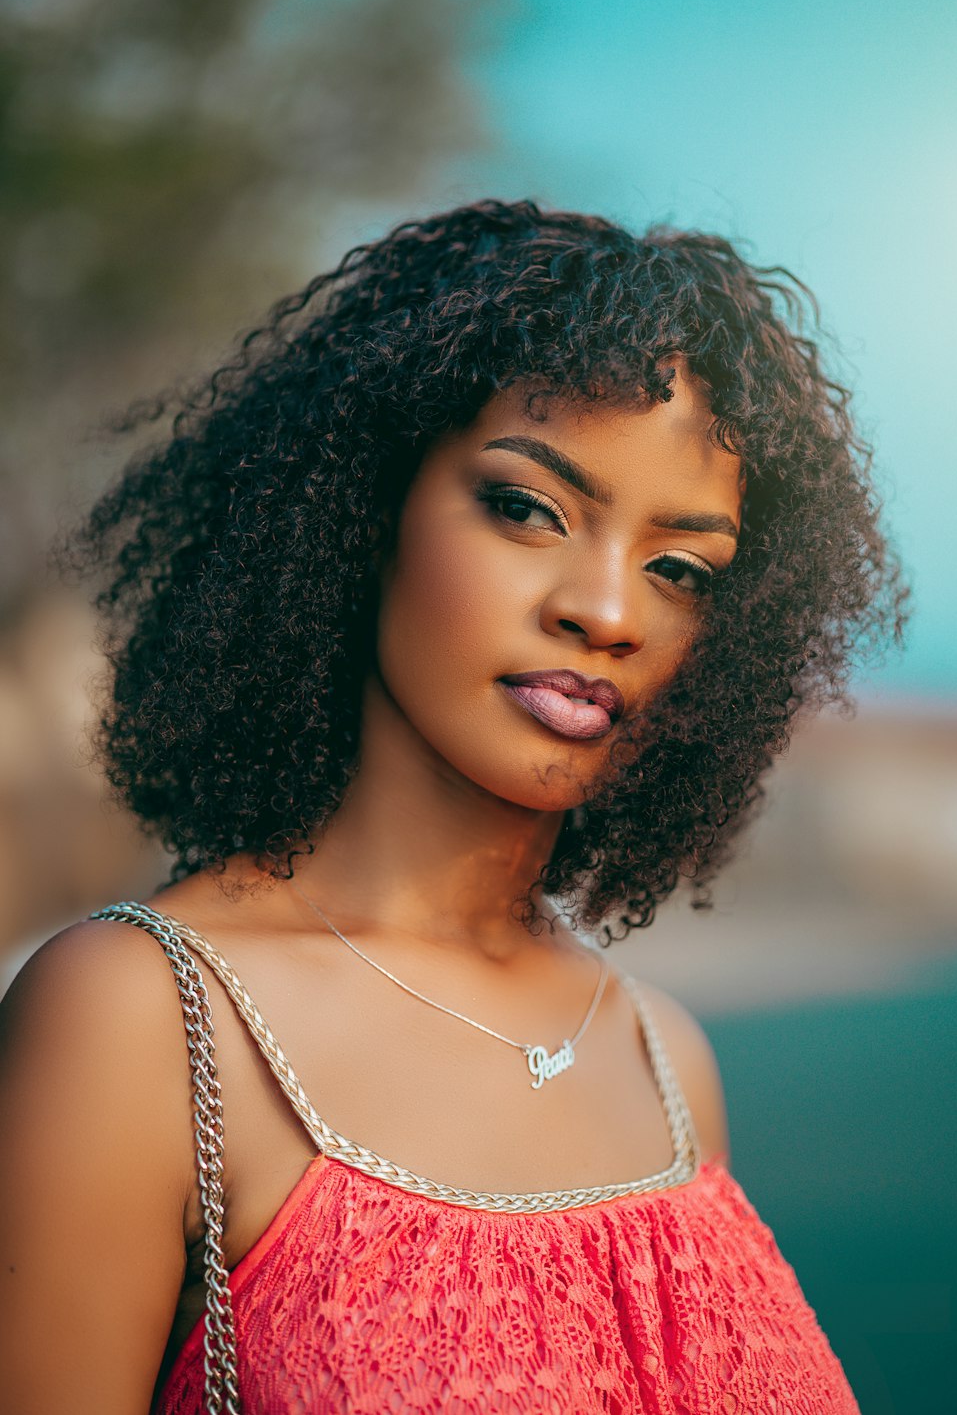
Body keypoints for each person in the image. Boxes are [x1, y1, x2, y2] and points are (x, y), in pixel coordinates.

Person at [0, 200, 904, 1413]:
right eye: (527, 507)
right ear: (360, 511)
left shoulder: (663, 1058)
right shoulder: (142, 1018)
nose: (608, 612)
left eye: (678, 568)